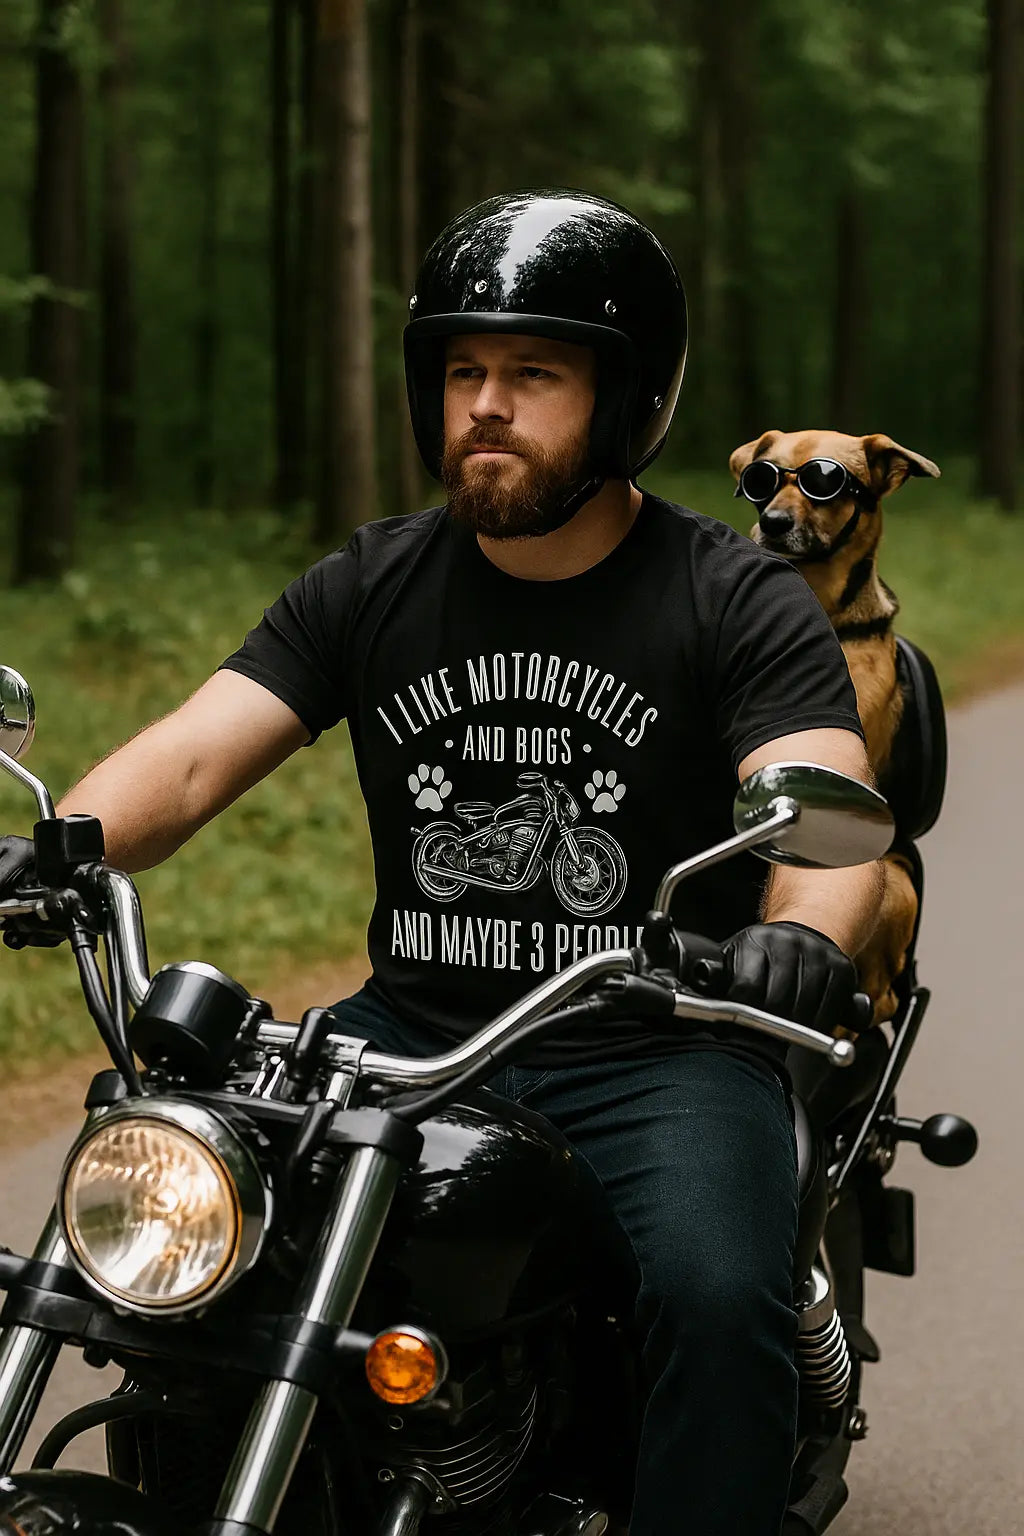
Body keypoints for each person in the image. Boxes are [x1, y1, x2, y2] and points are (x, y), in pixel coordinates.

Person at [0, 190, 881, 1535]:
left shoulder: (728, 594)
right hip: (400, 1036)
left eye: (534, 373)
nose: (487, 404)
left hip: (657, 1047)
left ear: (624, 394)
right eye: (464, 370)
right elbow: (187, 761)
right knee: (185, 1232)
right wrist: (50, 851)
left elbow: (817, 795)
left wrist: (804, 934)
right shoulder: (374, 581)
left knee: (714, 1292)